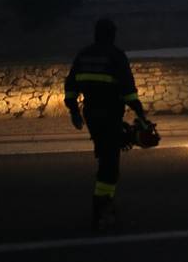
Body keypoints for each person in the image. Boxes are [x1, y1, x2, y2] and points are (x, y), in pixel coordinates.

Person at [64, 18, 150, 229]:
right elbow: (128, 91)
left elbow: (70, 88)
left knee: (106, 157)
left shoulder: (83, 55)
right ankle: (101, 210)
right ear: (112, 35)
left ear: (96, 34)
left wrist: (75, 112)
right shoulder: (116, 56)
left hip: (92, 116)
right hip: (110, 115)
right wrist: (141, 116)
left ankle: (104, 205)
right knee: (110, 167)